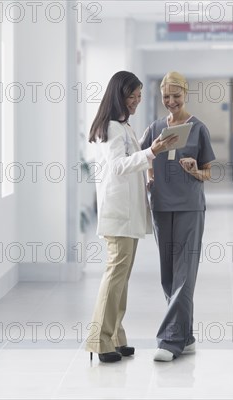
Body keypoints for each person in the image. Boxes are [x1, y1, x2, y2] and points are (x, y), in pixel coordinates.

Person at [86, 71, 178, 363]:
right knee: (115, 276)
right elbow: (117, 167)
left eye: (139, 96)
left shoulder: (122, 126)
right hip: (118, 215)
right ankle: (99, 341)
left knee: (121, 278)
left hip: (127, 213)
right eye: (132, 96)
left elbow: (129, 163)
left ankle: (115, 336)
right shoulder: (112, 128)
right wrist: (152, 151)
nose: (137, 101)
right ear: (119, 96)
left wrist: (147, 165)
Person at [139, 71, 216, 362]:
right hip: (161, 207)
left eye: (176, 96)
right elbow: (145, 158)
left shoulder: (199, 129)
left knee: (185, 276)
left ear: (186, 93)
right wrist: (149, 180)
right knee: (169, 277)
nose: (171, 101)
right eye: (166, 97)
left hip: (189, 207)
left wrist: (195, 170)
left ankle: (170, 340)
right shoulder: (155, 128)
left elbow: (208, 172)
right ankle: (187, 337)